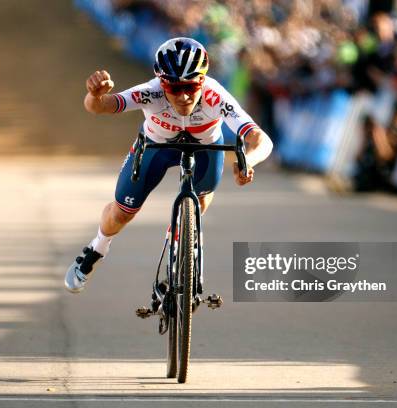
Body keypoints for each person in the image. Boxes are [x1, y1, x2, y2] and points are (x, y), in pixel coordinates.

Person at [65, 37, 273, 293]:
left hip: (205, 148)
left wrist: (248, 161)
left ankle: (178, 251)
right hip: (156, 147)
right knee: (121, 213)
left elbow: (261, 140)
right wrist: (95, 95)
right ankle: (98, 247)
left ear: (202, 81)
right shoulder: (151, 91)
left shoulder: (215, 95)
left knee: (199, 202)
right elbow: (99, 107)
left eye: (191, 86)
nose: (184, 95)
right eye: (174, 88)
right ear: (162, 83)